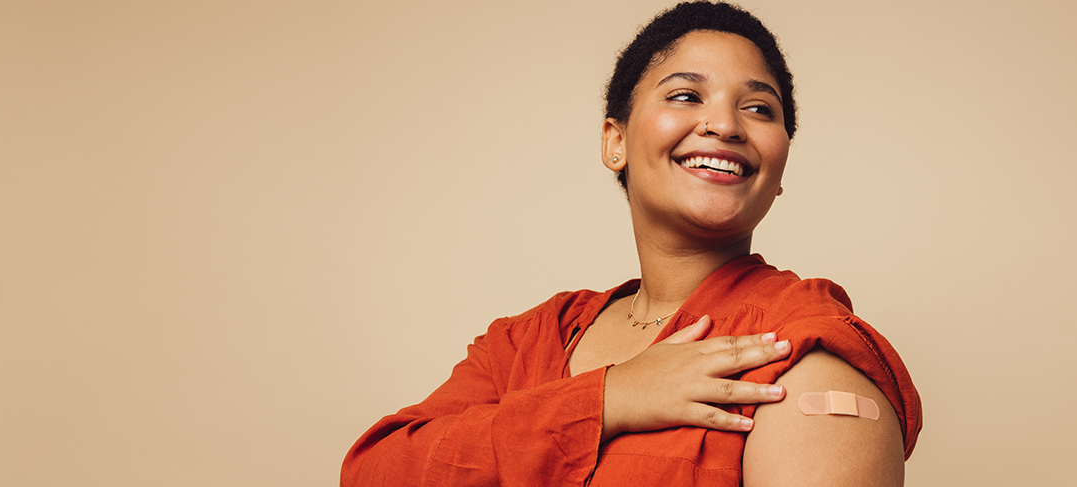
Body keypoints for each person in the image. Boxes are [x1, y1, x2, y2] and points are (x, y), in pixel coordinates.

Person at [341, 2, 921, 485]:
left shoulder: (799, 349)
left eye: (758, 109)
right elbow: (373, 472)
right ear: (614, 142)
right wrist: (606, 400)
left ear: (778, 166)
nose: (725, 125)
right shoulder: (523, 343)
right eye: (686, 96)